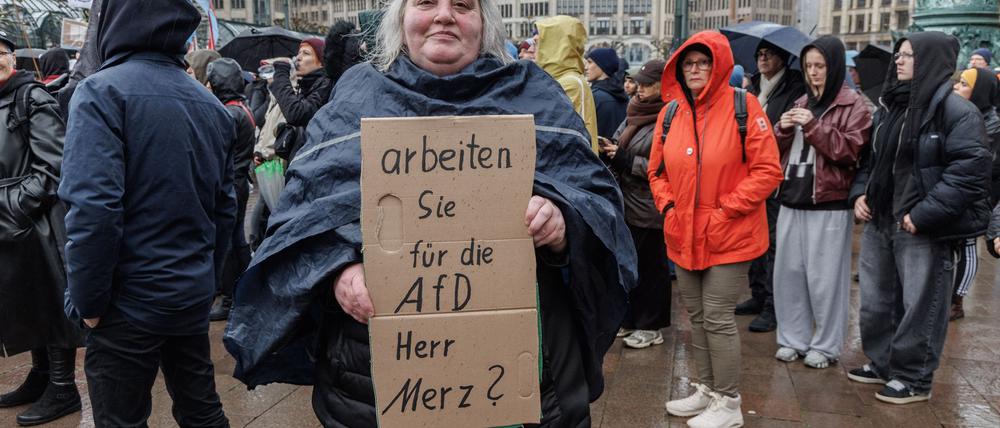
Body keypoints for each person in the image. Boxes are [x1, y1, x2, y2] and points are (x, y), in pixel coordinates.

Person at [222, 0, 637, 426]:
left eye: (462, 5)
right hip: (374, 379)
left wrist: (563, 222)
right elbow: (302, 219)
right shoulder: (355, 96)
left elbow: (597, 203)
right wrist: (336, 272)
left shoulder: (535, 94)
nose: (444, 15)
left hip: (526, 372)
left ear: (484, 25)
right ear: (401, 20)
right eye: (426, 3)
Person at [58, 1, 235, 426]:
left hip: (125, 303)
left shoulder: (101, 91)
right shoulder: (209, 105)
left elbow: (93, 209)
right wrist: (203, 282)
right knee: (202, 409)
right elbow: (225, 211)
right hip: (187, 293)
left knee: (122, 418)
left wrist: (88, 302)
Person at [848, 32, 991, 404]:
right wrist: (861, 193)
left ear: (929, 61)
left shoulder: (957, 112)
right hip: (882, 218)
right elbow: (871, 160)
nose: (899, 61)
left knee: (921, 303)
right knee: (876, 300)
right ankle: (881, 363)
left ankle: (913, 378)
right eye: (899, 54)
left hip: (921, 226)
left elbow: (970, 171)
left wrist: (923, 215)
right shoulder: (890, 107)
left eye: (908, 56)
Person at [653, 31, 782, 427]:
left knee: (718, 316)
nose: (695, 70)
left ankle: (728, 403)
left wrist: (726, 210)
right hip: (683, 231)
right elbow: (657, 171)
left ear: (718, 66)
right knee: (697, 315)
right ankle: (708, 391)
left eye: (703, 63)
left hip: (730, 234)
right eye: (688, 63)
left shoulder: (745, 106)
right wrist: (670, 207)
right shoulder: (671, 112)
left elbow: (768, 171)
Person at [771, 36, 872, 369]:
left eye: (821, 66)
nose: (813, 73)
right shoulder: (800, 99)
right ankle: (792, 338)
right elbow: (777, 151)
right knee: (789, 274)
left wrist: (813, 126)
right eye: (809, 66)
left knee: (826, 279)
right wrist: (782, 130)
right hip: (792, 197)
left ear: (835, 67)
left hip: (829, 202)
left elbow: (850, 151)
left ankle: (826, 345)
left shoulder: (853, 105)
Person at [0, 31, 82, 427]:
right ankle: (42, 376)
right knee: (26, 300)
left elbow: (53, 166)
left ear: (11, 59)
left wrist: (14, 205)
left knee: (50, 301)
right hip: (11, 224)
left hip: (37, 222)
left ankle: (64, 387)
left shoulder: (31, 97)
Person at [739, 40, 806, 333]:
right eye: (759, 55)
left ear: (783, 58)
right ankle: (757, 294)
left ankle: (772, 306)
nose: (763, 59)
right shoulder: (753, 86)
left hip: (776, 174)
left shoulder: (795, 88)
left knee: (773, 244)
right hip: (748, 174)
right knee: (753, 239)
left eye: (769, 54)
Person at [607, 58, 671, 349]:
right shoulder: (634, 109)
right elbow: (621, 139)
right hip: (628, 201)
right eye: (639, 83)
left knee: (651, 269)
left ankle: (651, 325)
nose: (640, 89)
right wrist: (611, 148)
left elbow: (666, 167)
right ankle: (631, 319)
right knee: (630, 266)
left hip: (650, 207)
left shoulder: (669, 116)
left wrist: (624, 159)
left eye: (647, 84)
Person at [206, 57, 256, 322]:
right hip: (239, 183)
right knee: (236, 240)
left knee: (226, 242)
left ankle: (227, 299)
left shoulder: (228, 113)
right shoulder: (241, 108)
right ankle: (244, 292)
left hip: (230, 184)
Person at [948, 67, 1000, 320]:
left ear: (979, 90)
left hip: (980, 194)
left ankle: (957, 300)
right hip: (959, 189)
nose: (957, 88)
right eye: (957, 84)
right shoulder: (957, 115)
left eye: (964, 85)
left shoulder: (992, 125)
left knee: (968, 244)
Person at [535, 15, 599, 152]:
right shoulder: (554, 79)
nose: (534, 43)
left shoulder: (572, 83)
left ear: (556, 44)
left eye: (541, 40)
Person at [265, 37, 333, 162]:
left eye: (306, 53)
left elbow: (296, 114)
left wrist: (281, 74)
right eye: (298, 53)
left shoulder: (325, 85)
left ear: (321, 62)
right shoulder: (306, 86)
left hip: (314, 165)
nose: (298, 58)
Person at [587, 48, 628, 160]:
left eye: (590, 62)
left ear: (602, 66)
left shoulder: (595, 97)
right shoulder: (622, 94)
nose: (586, 67)